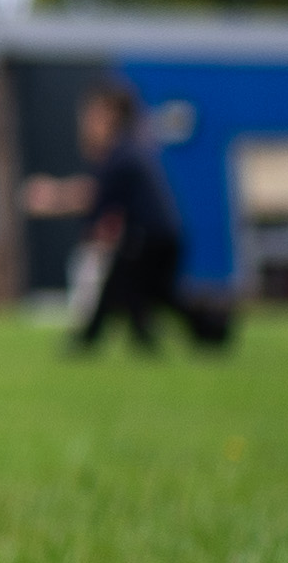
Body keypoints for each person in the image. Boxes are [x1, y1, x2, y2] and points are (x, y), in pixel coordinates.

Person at [23, 80, 209, 356]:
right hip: (156, 237)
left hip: (152, 239)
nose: (86, 122)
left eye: (93, 114)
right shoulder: (128, 149)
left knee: (130, 287)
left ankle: (95, 340)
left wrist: (53, 199)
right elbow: (103, 197)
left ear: (111, 115)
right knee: (146, 291)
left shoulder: (122, 152)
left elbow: (96, 197)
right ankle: (185, 333)